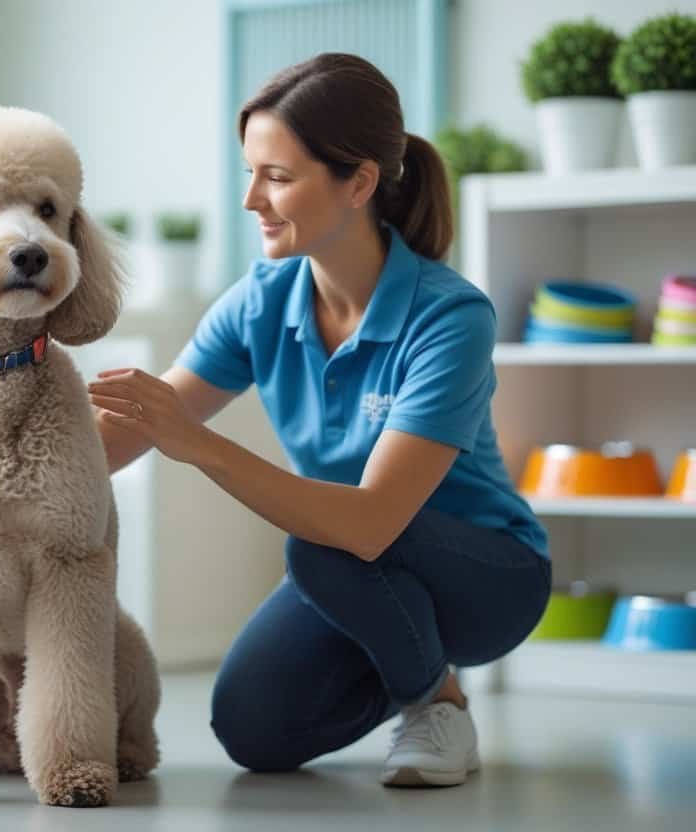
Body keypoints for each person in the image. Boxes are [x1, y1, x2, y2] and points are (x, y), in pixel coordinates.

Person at [88, 53, 551, 788]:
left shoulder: (450, 317)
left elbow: (368, 523)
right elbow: (142, 424)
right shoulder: (262, 298)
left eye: (277, 176)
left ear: (359, 183)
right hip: (356, 568)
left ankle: (437, 701)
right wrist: (18, 446)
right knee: (253, 729)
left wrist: (198, 444)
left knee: (324, 545)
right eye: (251, 172)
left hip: (488, 578)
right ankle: (408, 663)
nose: (252, 201)